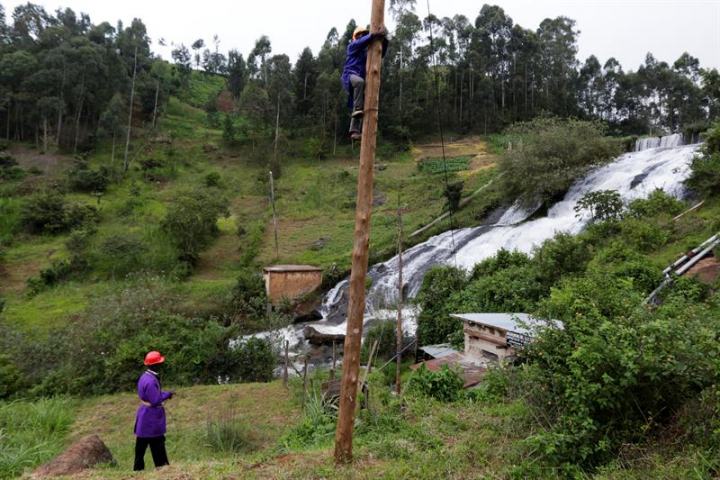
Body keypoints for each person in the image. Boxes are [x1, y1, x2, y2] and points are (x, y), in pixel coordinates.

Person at [341, 25, 388, 140]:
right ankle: (357, 109)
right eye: (361, 35)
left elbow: (379, 54)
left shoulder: (365, 54)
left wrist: (384, 41)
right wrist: (373, 35)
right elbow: (360, 43)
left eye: (364, 34)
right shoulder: (352, 47)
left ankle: (354, 131)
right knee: (360, 84)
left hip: (359, 83)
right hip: (350, 77)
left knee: (362, 105)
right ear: (356, 37)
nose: (363, 36)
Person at [133, 350, 174, 471]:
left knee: (141, 446)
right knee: (157, 442)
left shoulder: (144, 376)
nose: (162, 364)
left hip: (144, 414)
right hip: (151, 417)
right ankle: (162, 468)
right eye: (160, 362)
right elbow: (155, 400)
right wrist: (168, 394)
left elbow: (151, 396)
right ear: (155, 365)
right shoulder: (151, 381)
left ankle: (138, 470)